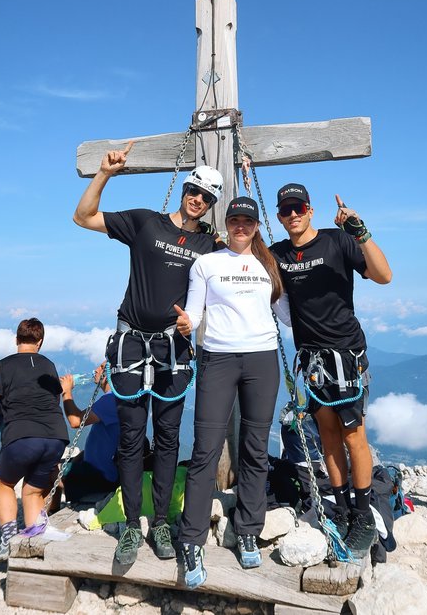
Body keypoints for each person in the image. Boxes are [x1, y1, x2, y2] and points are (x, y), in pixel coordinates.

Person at [73, 142, 223, 566]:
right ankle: (132, 525)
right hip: (132, 342)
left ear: (212, 205)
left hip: (173, 347)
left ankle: (160, 521)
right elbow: (83, 217)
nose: (198, 199)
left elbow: (235, 278)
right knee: (131, 436)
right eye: (194, 190)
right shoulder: (145, 222)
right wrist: (105, 173)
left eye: (207, 197)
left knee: (170, 437)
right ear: (184, 188)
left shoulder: (211, 244)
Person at [269, 184, 392, 560]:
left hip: (346, 353)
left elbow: (384, 275)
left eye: (299, 207)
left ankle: (362, 515)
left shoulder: (338, 241)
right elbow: (245, 256)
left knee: (354, 435)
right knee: (327, 435)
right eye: (286, 210)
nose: (293, 215)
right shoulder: (278, 254)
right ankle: (339, 507)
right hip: (312, 359)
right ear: (279, 215)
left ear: (311, 209)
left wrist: (360, 231)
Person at [174, 196, 287, 589]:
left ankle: (248, 529)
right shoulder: (207, 263)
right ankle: (191, 539)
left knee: (255, 448)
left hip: (262, 359)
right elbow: (195, 310)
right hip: (218, 357)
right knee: (206, 448)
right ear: (226, 223)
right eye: (235, 219)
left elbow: (287, 313)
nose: (241, 226)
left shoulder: (269, 264)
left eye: (248, 221)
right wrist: (188, 324)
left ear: (256, 225)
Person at [0, 318, 69, 563]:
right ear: (40, 342)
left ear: (16, 339)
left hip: (22, 437)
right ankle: (33, 542)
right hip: (56, 438)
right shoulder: (49, 364)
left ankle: (8, 539)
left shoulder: (5, 365)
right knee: (32, 490)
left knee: (3, 483)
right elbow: (54, 400)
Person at [59, 362, 120, 503]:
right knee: (62, 469)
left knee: (49, 472)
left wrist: (66, 392)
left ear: (108, 375)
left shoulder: (110, 400)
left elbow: (75, 421)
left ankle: (49, 515)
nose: (96, 370)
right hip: (102, 469)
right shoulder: (117, 398)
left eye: (101, 368)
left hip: (100, 474)